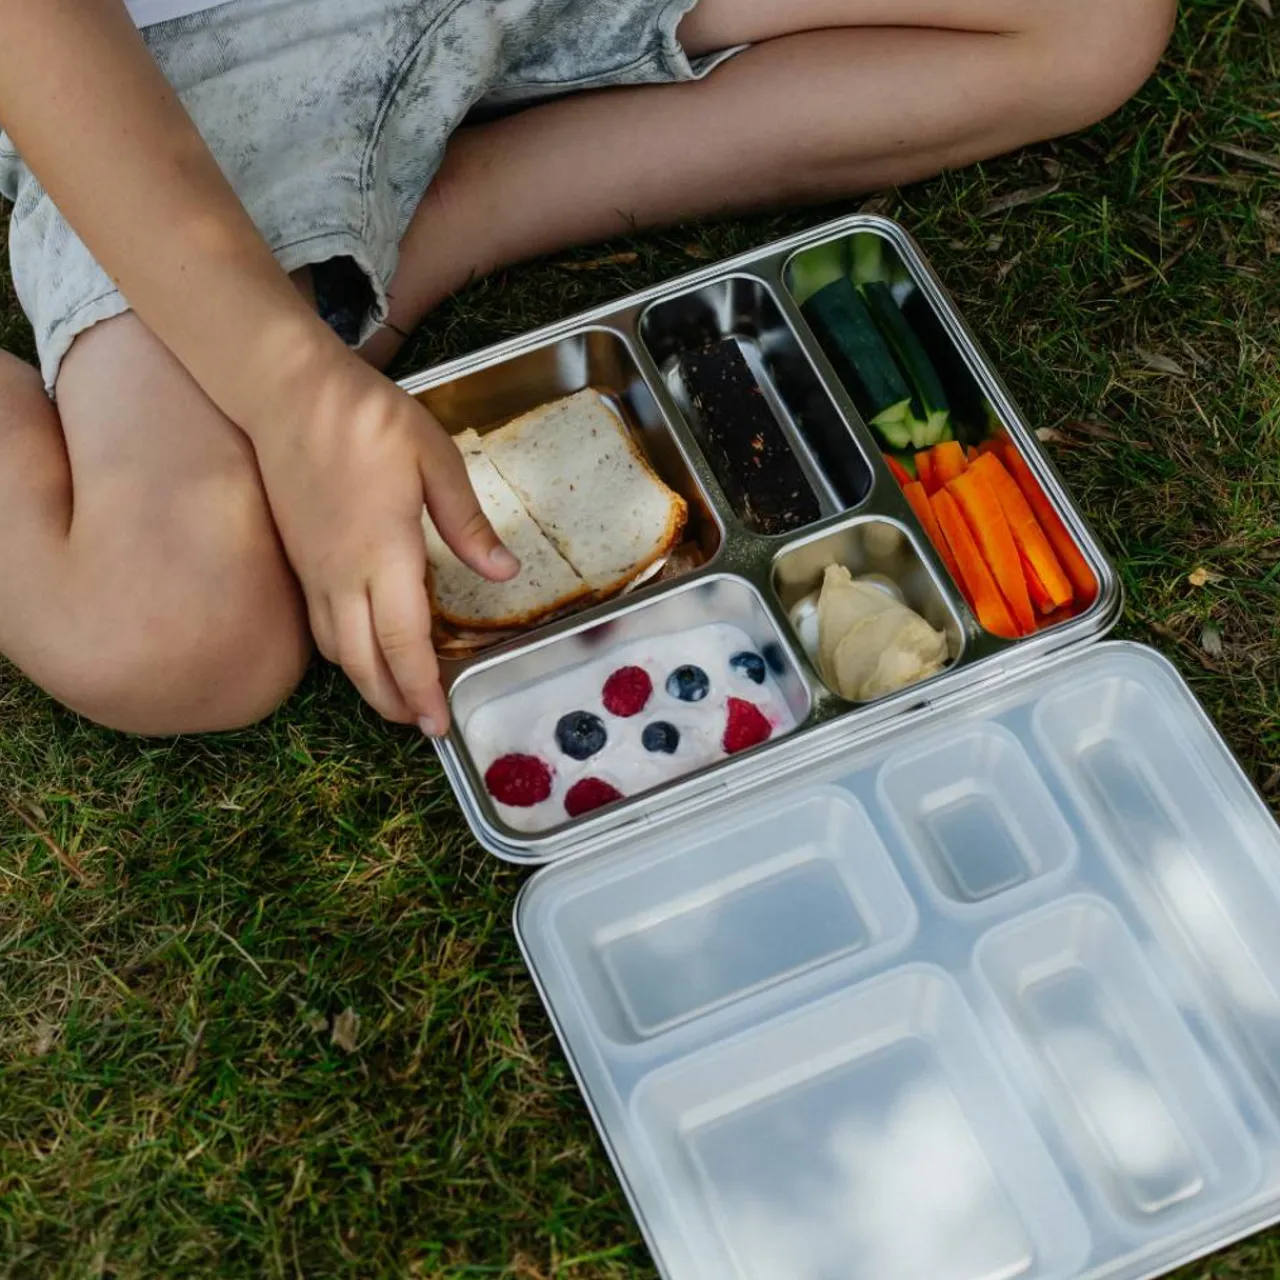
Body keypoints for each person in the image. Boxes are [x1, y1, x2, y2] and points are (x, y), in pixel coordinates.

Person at [0, 0, 1175, 737]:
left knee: (1091, 21)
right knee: (169, 637)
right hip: (174, 61)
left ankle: (458, 211)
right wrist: (287, 388)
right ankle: (356, 242)